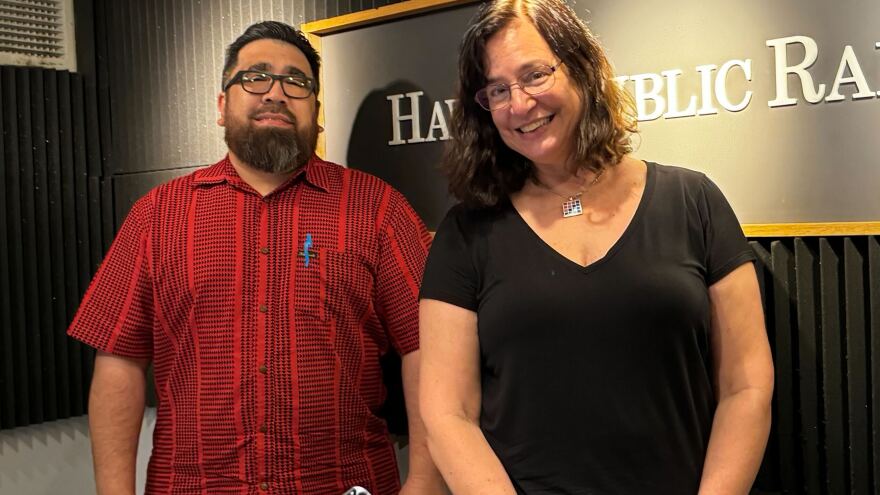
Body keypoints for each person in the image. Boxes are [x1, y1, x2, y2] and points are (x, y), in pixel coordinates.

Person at [68, 21, 444, 495]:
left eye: (297, 82)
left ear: (316, 111)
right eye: (256, 77)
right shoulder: (156, 215)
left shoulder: (377, 209)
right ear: (222, 106)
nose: (276, 92)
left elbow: (428, 349)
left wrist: (426, 483)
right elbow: (119, 361)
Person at [418, 1, 775, 493]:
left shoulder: (694, 201)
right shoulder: (466, 232)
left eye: (535, 74)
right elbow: (448, 412)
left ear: (582, 68)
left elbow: (746, 386)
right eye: (498, 89)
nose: (519, 104)